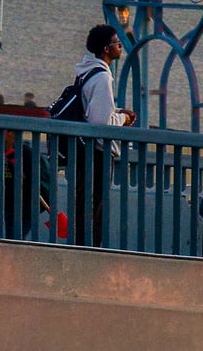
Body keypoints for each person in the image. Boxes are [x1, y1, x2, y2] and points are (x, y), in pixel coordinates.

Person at [66, 23, 133, 247]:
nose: (120, 46)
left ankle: (80, 249)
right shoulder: (103, 77)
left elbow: (91, 111)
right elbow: (100, 123)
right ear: (106, 49)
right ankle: (89, 254)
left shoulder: (86, 72)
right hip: (97, 153)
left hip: (83, 150)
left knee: (84, 205)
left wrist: (117, 111)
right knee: (94, 209)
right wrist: (123, 120)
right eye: (117, 43)